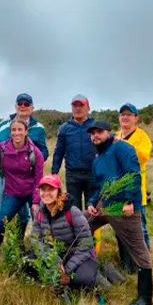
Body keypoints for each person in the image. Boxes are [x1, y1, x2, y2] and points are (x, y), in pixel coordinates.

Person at [85, 120, 153, 305]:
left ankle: (145, 297)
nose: (95, 136)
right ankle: (84, 267)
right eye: (92, 133)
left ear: (108, 132)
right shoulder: (97, 159)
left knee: (139, 250)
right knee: (80, 223)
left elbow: (133, 174)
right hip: (105, 207)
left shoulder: (122, 148)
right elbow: (98, 187)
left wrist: (129, 201)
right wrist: (91, 203)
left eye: (99, 132)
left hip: (124, 207)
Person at [0, 93, 48, 231]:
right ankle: (0, 240)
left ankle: (20, 240)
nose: (23, 106)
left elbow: (44, 151)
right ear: (15, 106)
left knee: (25, 215)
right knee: (2, 212)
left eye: (26, 104)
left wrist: (31, 161)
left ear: (32, 108)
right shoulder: (3, 125)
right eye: (20, 104)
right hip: (6, 177)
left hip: (29, 179)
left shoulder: (39, 128)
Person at [0, 118, 44, 253]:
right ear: (10, 132)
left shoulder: (35, 152)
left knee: (41, 221)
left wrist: (35, 202)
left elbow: (38, 179)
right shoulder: (3, 148)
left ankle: (39, 253)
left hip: (31, 192)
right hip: (13, 193)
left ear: (26, 132)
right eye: (14, 130)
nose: (17, 133)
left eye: (20, 130)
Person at [28, 174, 98, 290]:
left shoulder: (73, 212)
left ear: (58, 192)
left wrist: (67, 270)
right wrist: (53, 261)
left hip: (78, 256)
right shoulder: (39, 213)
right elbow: (35, 239)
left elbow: (86, 245)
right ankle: (57, 280)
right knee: (28, 264)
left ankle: (100, 273)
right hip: (56, 256)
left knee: (82, 281)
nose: (46, 193)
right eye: (43, 189)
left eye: (51, 189)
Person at [52, 94, 101, 247]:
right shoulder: (65, 128)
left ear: (88, 107)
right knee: (74, 212)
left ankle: (91, 247)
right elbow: (59, 151)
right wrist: (54, 172)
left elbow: (105, 145)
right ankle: (77, 246)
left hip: (92, 174)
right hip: (72, 175)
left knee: (92, 211)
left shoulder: (95, 126)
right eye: (75, 106)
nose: (78, 108)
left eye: (81, 105)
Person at [116, 103, 153, 273]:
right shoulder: (116, 135)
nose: (125, 117)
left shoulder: (142, 137)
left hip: (135, 192)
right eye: (122, 114)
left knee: (140, 229)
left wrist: (123, 145)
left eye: (129, 115)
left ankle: (144, 263)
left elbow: (143, 156)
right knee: (122, 229)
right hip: (118, 191)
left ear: (136, 118)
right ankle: (127, 262)